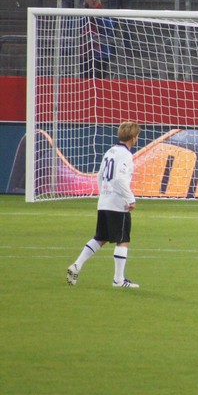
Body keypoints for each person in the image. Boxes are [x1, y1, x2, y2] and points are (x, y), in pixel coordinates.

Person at [66, 122, 142, 289]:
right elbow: (119, 179)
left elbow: (100, 175)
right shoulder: (125, 155)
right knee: (123, 240)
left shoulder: (110, 152)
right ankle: (118, 280)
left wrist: (104, 194)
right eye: (137, 135)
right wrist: (130, 199)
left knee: (100, 238)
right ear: (133, 137)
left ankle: (77, 265)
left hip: (105, 201)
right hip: (117, 203)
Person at [80, 0, 116, 78]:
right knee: (86, 76)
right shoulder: (82, 14)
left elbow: (110, 26)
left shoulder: (105, 14)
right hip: (86, 51)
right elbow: (78, 26)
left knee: (100, 77)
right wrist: (89, 17)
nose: (94, 1)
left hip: (102, 52)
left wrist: (97, 17)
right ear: (86, 1)